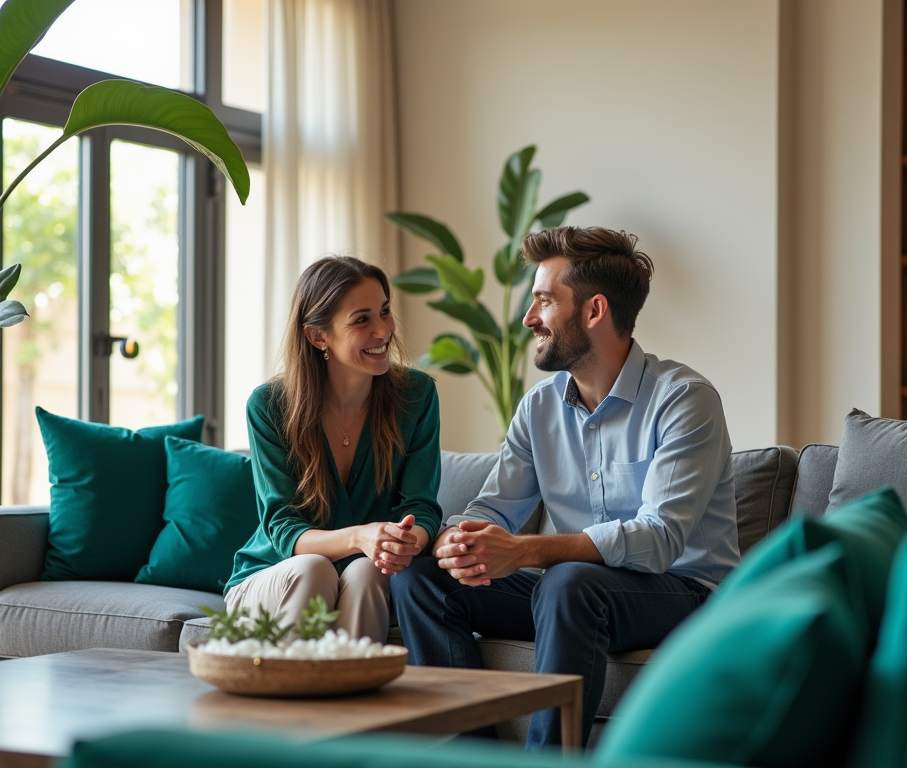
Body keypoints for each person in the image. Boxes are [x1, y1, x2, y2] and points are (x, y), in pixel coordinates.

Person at [391, 226, 740, 749]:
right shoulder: (540, 407)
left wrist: (526, 551)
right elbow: (493, 509)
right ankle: (472, 758)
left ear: (594, 311)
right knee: (421, 577)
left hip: (681, 592)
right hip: (575, 594)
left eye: (544, 302)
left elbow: (661, 538)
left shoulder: (684, 400)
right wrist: (454, 541)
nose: (529, 318)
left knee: (567, 581)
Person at [224, 255, 442, 644]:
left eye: (385, 312)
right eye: (362, 320)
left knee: (366, 570)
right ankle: (292, 696)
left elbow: (420, 506)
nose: (383, 330)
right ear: (317, 336)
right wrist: (360, 537)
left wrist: (407, 542)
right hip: (274, 577)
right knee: (315, 569)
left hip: (364, 571)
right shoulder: (269, 405)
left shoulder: (417, 395)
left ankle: (351, 700)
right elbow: (284, 529)